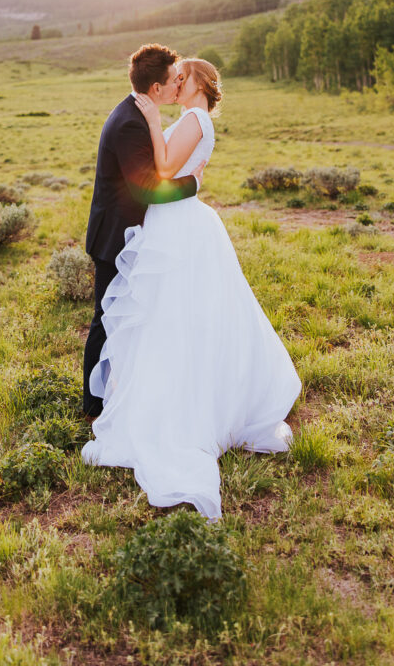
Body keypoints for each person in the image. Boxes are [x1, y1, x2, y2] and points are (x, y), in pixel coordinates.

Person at [82, 57, 302, 519]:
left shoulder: (193, 119)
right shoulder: (186, 120)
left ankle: (167, 399)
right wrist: (188, 173)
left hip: (177, 223)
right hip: (174, 218)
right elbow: (165, 175)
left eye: (185, 76)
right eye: (174, 77)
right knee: (172, 313)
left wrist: (155, 120)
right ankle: (123, 394)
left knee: (170, 313)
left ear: (202, 83)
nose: (178, 82)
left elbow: (160, 168)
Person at [83, 44, 205, 417]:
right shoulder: (130, 124)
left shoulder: (134, 113)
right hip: (113, 238)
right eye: (172, 81)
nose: (176, 87)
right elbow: (147, 189)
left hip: (126, 232)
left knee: (126, 316)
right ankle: (93, 405)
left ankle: (121, 387)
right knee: (106, 319)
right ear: (156, 88)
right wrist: (193, 185)